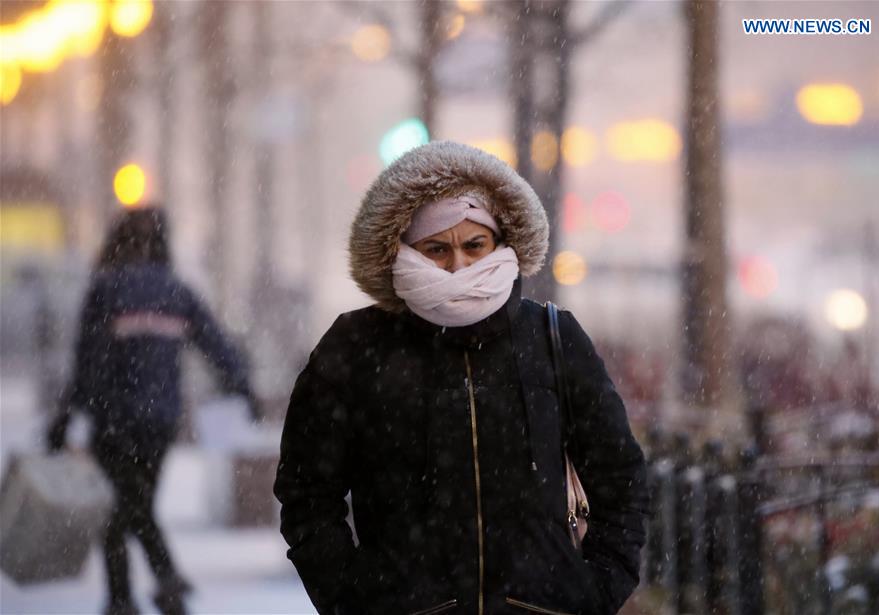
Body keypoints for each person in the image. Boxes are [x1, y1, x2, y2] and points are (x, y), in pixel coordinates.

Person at [274, 141, 648, 615]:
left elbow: (621, 477)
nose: (458, 265)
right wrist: (351, 600)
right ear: (402, 250)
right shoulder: (355, 347)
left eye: (475, 245)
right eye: (436, 249)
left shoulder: (551, 338)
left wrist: (595, 592)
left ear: (501, 243)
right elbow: (307, 493)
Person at [46, 206, 260, 615]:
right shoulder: (176, 292)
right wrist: (241, 386)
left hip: (114, 419)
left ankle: (137, 593)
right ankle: (151, 589)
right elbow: (216, 344)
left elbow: (88, 360)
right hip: (160, 420)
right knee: (131, 505)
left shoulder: (106, 289)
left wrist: (67, 414)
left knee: (124, 508)